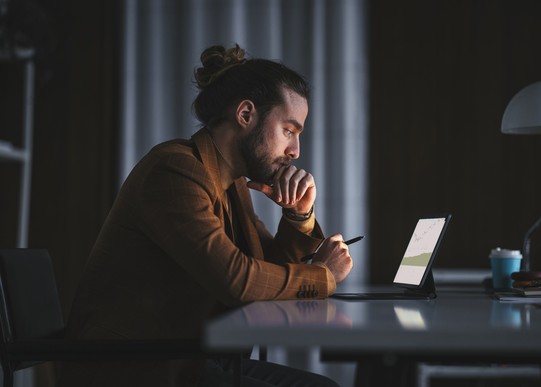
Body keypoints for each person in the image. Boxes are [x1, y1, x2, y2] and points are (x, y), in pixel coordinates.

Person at [57, 43, 353, 387]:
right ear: (245, 115)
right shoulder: (174, 170)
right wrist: (323, 275)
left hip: (191, 362)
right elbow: (239, 281)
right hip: (137, 370)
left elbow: (265, 266)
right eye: (289, 131)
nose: (295, 151)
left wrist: (298, 217)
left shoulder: (230, 183)